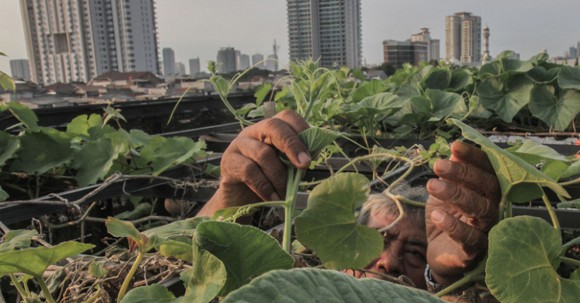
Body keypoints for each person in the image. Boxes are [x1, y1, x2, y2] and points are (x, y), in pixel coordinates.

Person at [198, 110, 501, 292]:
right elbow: (198, 280)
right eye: (376, 239)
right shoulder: (298, 288)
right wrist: (229, 200)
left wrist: (442, 278)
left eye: (415, 254)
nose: (388, 262)